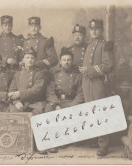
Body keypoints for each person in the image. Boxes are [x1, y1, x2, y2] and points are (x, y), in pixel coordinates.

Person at [79, 19, 114, 156]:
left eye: (97, 29)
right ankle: (95, 139)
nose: (94, 31)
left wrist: (89, 70)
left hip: (98, 83)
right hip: (87, 83)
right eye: (92, 29)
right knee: (90, 111)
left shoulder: (105, 46)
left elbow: (108, 66)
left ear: (102, 30)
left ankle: (104, 145)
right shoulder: (89, 45)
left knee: (100, 113)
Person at [44, 49, 84, 153]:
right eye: (64, 60)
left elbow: (81, 92)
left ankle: (62, 140)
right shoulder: (54, 73)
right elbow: (49, 92)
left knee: (70, 113)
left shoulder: (77, 74)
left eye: (69, 60)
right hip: (56, 100)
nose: (66, 62)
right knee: (48, 111)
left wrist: (73, 105)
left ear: (72, 61)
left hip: (70, 101)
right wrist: (56, 104)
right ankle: (51, 142)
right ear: (60, 62)